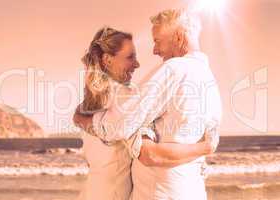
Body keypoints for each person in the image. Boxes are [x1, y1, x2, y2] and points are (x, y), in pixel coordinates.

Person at [74, 25, 219, 200]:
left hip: (93, 192)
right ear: (108, 60)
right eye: (130, 57)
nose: (137, 64)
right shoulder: (125, 99)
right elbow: (149, 154)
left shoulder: (89, 100)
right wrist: (203, 148)